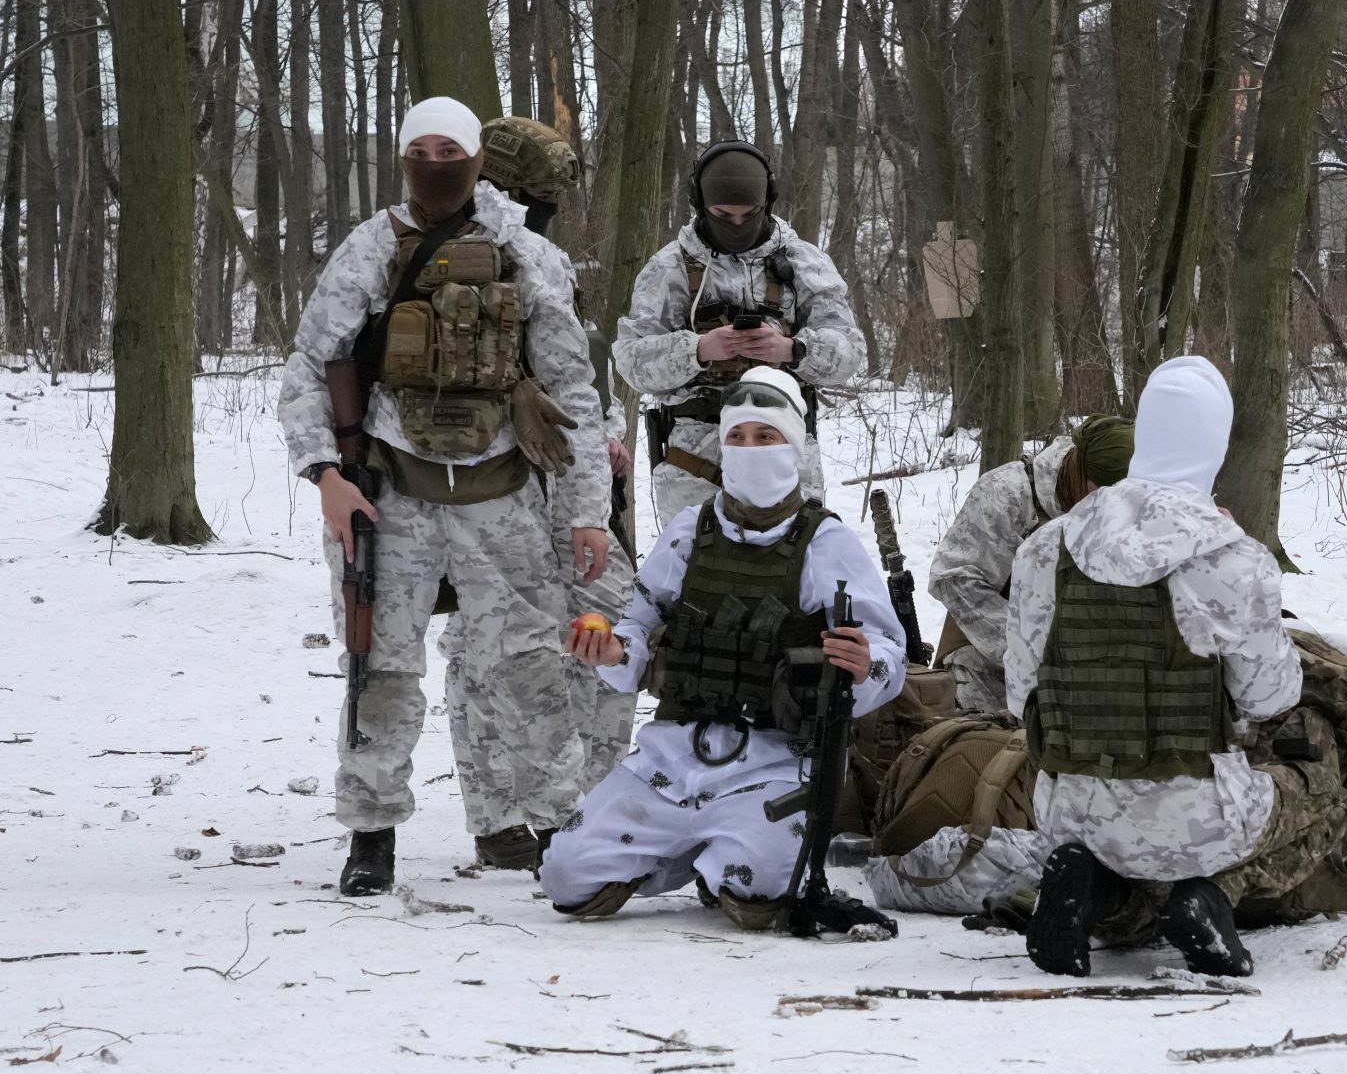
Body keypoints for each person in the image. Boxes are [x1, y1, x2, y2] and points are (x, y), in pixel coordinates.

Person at [279, 96, 612, 896]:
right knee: (381, 671)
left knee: (527, 669)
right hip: (393, 495)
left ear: (471, 156)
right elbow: (308, 366)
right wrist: (325, 475)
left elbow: (573, 389)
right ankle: (372, 835)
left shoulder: (522, 253)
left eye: (448, 148)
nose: (433, 161)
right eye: (419, 148)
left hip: (501, 497)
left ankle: (561, 829)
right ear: (402, 156)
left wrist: (588, 510)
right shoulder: (371, 247)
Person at [1005, 357, 1347, 979]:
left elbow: (1020, 694)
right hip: (1195, 820)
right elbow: (1272, 696)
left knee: (1127, 852)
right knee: (1324, 794)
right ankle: (1215, 896)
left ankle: (1096, 895)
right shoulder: (1231, 556)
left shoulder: (1045, 547)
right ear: (1214, 444)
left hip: (1068, 811)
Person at [541, 366, 908, 929]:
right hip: (674, 754)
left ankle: (726, 851)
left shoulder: (826, 542)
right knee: (565, 879)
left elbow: (888, 649)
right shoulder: (690, 530)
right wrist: (615, 653)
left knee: (760, 896)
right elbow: (639, 626)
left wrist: (866, 666)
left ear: (794, 445)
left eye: (767, 436)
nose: (751, 448)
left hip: (774, 759)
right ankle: (689, 848)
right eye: (737, 436)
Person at [436, 115, 641, 871]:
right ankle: (504, 820)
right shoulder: (468, 251)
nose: (552, 206)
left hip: (564, 483)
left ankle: (577, 804)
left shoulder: (541, 255)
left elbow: (573, 372)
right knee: (483, 646)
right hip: (493, 487)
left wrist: (602, 434)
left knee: (608, 624)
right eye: (543, 192)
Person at [613, 140, 864, 522]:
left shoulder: (803, 263)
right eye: (722, 214)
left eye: (749, 214)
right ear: (699, 202)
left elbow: (849, 354)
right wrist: (698, 350)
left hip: (785, 453)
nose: (736, 224)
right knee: (695, 575)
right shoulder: (669, 269)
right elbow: (631, 363)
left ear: (769, 203)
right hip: (694, 461)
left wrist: (791, 350)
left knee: (791, 572)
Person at [929, 415, 1135, 712]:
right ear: (1080, 473)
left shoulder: (1128, 508)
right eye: (1102, 494)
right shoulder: (1005, 494)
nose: (1111, 509)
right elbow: (953, 579)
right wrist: (1032, 653)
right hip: (986, 665)